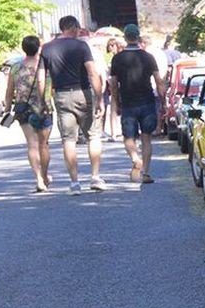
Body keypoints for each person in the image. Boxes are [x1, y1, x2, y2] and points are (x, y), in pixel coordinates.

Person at [41, 15, 105, 194]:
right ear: (74, 27)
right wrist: (99, 98)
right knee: (93, 136)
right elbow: (92, 73)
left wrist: (44, 99)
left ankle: (75, 182)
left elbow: (41, 78)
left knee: (68, 140)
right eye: (78, 29)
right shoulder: (81, 46)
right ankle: (95, 177)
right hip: (83, 93)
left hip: (61, 95)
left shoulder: (46, 48)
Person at [109, 24, 165, 184]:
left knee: (128, 137)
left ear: (126, 38)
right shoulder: (148, 57)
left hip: (128, 102)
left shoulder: (117, 58)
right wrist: (163, 102)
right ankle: (146, 172)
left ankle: (135, 158)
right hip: (147, 101)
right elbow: (158, 81)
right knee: (146, 137)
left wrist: (115, 101)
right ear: (138, 37)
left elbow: (113, 83)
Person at [2, 35, 54, 192]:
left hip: (22, 108)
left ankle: (38, 178)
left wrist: (6, 110)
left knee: (31, 144)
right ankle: (45, 176)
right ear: (39, 48)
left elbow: (10, 90)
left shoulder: (16, 67)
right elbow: (51, 87)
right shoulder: (45, 66)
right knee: (43, 144)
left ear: (23, 49)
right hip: (43, 107)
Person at [100, 37, 123, 140]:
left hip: (115, 84)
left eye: (112, 46)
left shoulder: (116, 58)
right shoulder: (110, 57)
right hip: (114, 84)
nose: (110, 48)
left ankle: (118, 132)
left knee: (115, 108)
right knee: (114, 109)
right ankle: (115, 132)